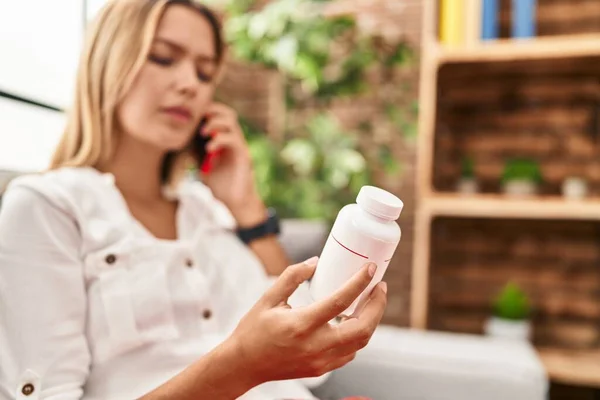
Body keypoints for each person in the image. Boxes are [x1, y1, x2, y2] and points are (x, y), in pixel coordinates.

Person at [0, 1, 388, 399]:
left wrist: (246, 206)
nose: (190, 83)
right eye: (163, 58)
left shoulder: (208, 210)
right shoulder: (47, 207)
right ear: (107, 63)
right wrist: (241, 364)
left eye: (205, 72)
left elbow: (309, 371)